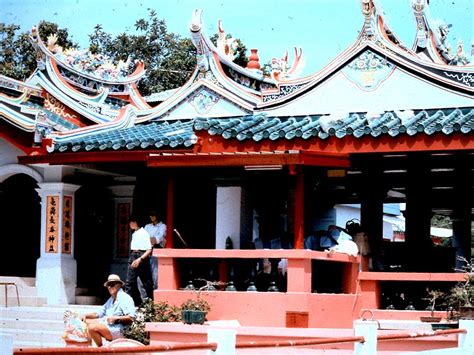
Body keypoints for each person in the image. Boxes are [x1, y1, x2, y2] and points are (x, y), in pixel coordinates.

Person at [81, 274, 135, 347]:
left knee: (92, 327)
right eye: (108, 285)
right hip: (110, 327)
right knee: (85, 322)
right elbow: (99, 313)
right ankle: (89, 346)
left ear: (119, 285)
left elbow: (131, 318)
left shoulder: (125, 298)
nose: (109, 287)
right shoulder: (111, 299)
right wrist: (85, 315)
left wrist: (116, 318)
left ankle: (101, 348)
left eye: (112, 284)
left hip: (120, 329)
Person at [124, 215, 153, 306]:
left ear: (136, 222)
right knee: (129, 281)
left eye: (131, 222)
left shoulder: (144, 233)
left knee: (145, 282)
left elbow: (149, 250)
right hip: (133, 255)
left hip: (141, 256)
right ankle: (126, 304)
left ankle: (148, 304)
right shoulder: (134, 233)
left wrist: (139, 259)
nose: (130, 224)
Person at [144, 211, 167, 289]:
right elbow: (142, 238)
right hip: (146, 251)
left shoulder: (162, 226)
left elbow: (157, 239)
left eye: (153, 215)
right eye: (150, 215)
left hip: (156, 251)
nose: (151, 217)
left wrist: (150, 239)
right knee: (145, 274)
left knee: (155, 274)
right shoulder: (147, 226)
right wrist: (150, 239)